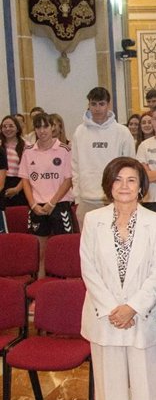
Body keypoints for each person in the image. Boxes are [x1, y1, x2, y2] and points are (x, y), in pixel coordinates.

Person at [79, 157, 156, 400]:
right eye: (118, 180)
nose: (124, 186)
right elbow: (88, 269)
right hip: (104, 315)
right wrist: (112, 309)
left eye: (131, 180)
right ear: (108, 185)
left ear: (142, 186)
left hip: (142, 314)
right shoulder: (93, 220)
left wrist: (132, 307)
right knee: (109, 383)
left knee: (146, 382)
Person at [19, 113, 75, 272]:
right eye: (38, 127)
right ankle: (39, 288)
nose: (42, 131)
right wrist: (32, 204)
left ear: (53, 127)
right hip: (37, 206)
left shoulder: (64, 150)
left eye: (45, 126)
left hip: (59, 204)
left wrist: (52, 203)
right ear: (34, 130)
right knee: (40, 253)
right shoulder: (29, 151)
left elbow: (68, 179)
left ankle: (66, 286)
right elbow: (25, 180)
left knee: (64, 249)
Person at [72, 87, 136, 228]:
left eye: (101, 104)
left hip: (114, 198)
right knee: (89, 246)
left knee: (115, 243)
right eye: (93, 104)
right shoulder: (79, 132)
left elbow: (131, 167)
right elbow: (75, 166)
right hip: (86, 200)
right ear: (88, 105)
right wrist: (77, 197)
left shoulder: (122, 132)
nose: (97, 108)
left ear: (108, 105)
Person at [0, 115, 28, 206]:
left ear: (17, 128)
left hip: (20, 186)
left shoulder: (26, 145)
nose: (7, 129)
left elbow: (29, 172)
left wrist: (17, 189)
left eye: (11, 126)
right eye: (4, 126)